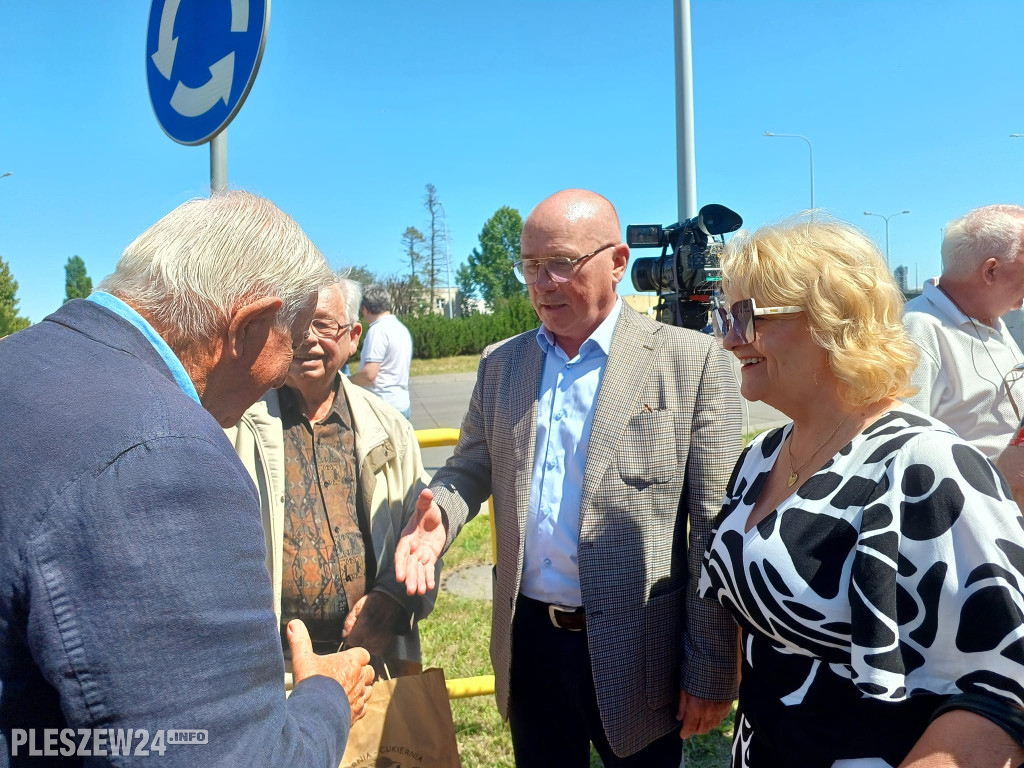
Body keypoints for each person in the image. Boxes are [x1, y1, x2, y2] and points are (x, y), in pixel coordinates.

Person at [0, 192, 375, 767]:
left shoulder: (17, 363)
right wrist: (327, 695)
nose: (283, 376)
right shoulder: (167, 457)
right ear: (248, 328)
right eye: (291, 343)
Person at [395, 189, 743, 766]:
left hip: (641, 647)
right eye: (530, 266)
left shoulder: (694, 363)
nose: (542, 283)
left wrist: (710, 664)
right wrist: (444, 513)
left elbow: (713, 526)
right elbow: (469, 466)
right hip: (529, 640)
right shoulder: (502, 363)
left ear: (617, 262)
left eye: (561, 263)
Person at [700, 216, 1024, 767]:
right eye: (723, 317)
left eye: (746, 316)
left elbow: (1004, 685)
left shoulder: (926, 463)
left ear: (833, 323)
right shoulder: (761, 457)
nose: (730, 339)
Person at [226, 275, 438, 682]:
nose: (307, 338)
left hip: (372, 662)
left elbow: (420, 538)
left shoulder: (390, 428)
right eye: (294, 321)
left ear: (353, 336)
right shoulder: (233, 425)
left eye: (322, 324)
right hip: (273, 676)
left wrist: (389, 602)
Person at [902, 204, 1024, 459]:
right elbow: (902, 450)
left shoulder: (991, 315)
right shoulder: (915, 330)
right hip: (975, 495)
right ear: (991, 271)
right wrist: (1000, 474)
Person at [350, 284, 414, 419]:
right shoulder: (400, 328)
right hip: (401, 404)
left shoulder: (377, 330)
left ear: (365, 309)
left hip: (383, 407)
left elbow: (369, 374)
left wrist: (347, 382)